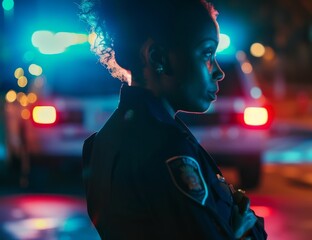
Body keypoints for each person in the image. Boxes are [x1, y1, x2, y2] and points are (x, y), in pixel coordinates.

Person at [79, 0, 267, 239]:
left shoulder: (101, 141)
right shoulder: (167, 150)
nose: (219, 71)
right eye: (207, 53)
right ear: (158, 58)